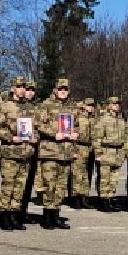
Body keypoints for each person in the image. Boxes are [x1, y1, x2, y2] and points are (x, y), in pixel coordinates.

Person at [32, 77, 80, 230]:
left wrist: (75, 133)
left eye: (65, 89)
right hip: (50, 152)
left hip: (66, 153)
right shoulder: (46, 105)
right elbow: (38, 124)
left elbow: (77, 125)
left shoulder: (72, 107)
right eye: (60, 89)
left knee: (61, 187)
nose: (63, 92)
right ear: (55, 90)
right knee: (49, 185)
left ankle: (56, 215)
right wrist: (54, 133)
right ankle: (47, 217)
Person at [0, 78, 39, 229]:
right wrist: (10, 137)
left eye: (23, 87)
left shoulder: (30, 107)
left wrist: (35, 137)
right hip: (10, 152)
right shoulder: (5, 106)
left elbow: (37, 127)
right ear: (13, 88)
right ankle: (4, 216)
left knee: (20, 186)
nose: (22, 89)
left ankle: (14, 215)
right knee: (8, 185)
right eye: (18, 86)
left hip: (25, 153)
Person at [92, 97, 128, 211]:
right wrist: (98, 153)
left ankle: (111, 197)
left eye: (118, 104)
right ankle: (104, 200)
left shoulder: (121, 121)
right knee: (104, 177)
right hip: (106, 151)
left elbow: (125, 138)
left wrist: (124, 152)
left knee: (114, 178)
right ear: (108, 105)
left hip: (118, 152)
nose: (116, 105)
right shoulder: (103, 120)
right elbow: (96, 138)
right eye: (114, 104)